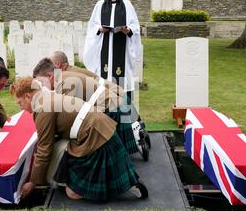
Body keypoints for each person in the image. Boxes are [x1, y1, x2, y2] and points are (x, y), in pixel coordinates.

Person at [11, 77, 148, 202]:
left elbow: (44, 148)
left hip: (95, 138)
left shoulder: (42, 108)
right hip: (101, 130)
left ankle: (118, 187)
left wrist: (33, 182)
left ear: (28, 96)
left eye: (20, 103)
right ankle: (125, 181)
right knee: (70, 164)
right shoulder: (48, 97)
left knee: (72, 193)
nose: (21, 107)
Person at [33, 57, 138, 155]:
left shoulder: (63, 84)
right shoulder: (64, 76)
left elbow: (71, 116)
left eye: (42, 82)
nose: (42, 86)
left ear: (50, 76)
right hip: (113, 105)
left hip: (112, 109)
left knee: (113, 151)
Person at [83, 0, 142, 102]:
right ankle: (106, 108)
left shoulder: (127, 4)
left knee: (123, 78)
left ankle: (126, 111)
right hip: (105, 47)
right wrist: (100, 29)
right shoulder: (100, 5)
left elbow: (135, 25)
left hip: (122, 49)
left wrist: (128, 30)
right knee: (105, 76)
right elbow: (92, 25)